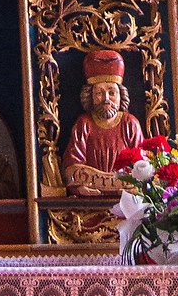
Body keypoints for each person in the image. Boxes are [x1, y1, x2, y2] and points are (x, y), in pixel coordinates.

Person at [62, 48, 146, 198]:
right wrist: (80, 188)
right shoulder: (84, 124)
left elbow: (142, 162)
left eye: (112, 92)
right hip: (90, 202)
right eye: (99, 93)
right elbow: (72, 163)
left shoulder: (130, 124)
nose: (106, 99)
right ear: (90, 97)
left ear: (121, 96)